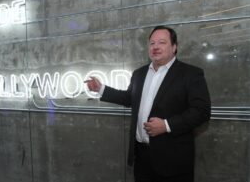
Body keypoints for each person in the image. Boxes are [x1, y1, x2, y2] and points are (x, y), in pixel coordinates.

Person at [85, 25, 211, 182]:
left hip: (173, 161)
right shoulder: (139, 74)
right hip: (142, 158)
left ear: (174, 47)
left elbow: (201, 111)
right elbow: (129, 98)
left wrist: (166, 125)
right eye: (152, 43)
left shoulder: (191, 74)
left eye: (162, 42)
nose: (156, 47)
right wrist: (101, 89)